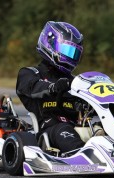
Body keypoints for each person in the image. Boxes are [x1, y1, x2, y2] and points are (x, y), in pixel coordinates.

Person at [16, 21, 85, 154]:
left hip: (77, 126)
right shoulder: (30, 73)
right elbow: (33, 87)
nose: (70, 56)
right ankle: (82, 155)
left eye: (74, 53)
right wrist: (53, 87)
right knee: (65, 130)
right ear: (50, 45)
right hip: (50, 129)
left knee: (101, 129)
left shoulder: (75, 81)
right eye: (67, 50)